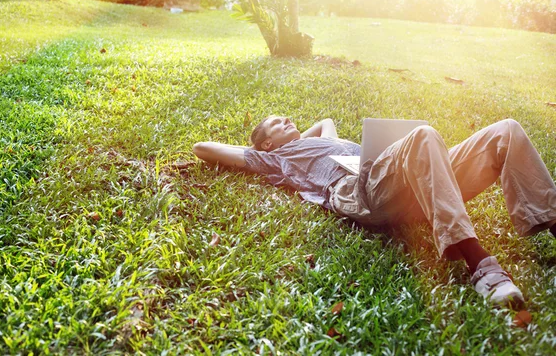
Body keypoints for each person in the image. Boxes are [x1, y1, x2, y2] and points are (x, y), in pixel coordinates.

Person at [192, 117, 556, 308]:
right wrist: (260, 147)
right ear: (266, 143)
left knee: (505, 131)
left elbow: (325, 121)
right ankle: (480, 266)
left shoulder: (317, 140)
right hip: (362, 193)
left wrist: (300, 134)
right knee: (423, 135)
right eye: (277, 122)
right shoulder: (273, 159)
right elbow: (202, 148)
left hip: (415, 183)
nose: (287, 119)